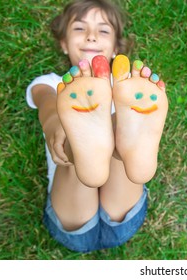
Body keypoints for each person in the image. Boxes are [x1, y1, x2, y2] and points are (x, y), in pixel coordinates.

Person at [26, 0, 168, 252]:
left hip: (80, 221)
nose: (91, 37)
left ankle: (115, 142)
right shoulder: (53, 83)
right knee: (64, 136)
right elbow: (47, 106)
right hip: (114, 219)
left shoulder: (128, 89)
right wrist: (56, 124)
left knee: (110, 146)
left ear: (115, 48)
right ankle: (86, 145)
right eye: (80, 29)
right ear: (63, 43)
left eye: (103, 31)